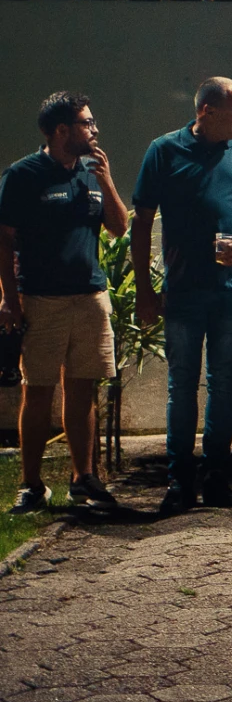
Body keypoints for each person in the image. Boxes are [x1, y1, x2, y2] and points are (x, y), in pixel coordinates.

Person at [130, 79, 232, 511]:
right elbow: (141, 221)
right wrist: (144, 289)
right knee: (182, 383)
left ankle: (216, 475)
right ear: (206, 111)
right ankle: (179, 479)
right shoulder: (164, 150)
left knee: (225, 382)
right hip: (184, 289)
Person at [0, 93, 128, 513]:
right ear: (61, 131)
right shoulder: (23, 174)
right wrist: (9, 299)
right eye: (87, 123)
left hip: (91, 297)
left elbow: (118, 228)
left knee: (82, 388)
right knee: (37, 390)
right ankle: (32, 485)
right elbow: (4, 240)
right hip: (41, 299)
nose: (95, 130)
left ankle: (83, 478)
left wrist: (106, 180)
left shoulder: (91, 172)